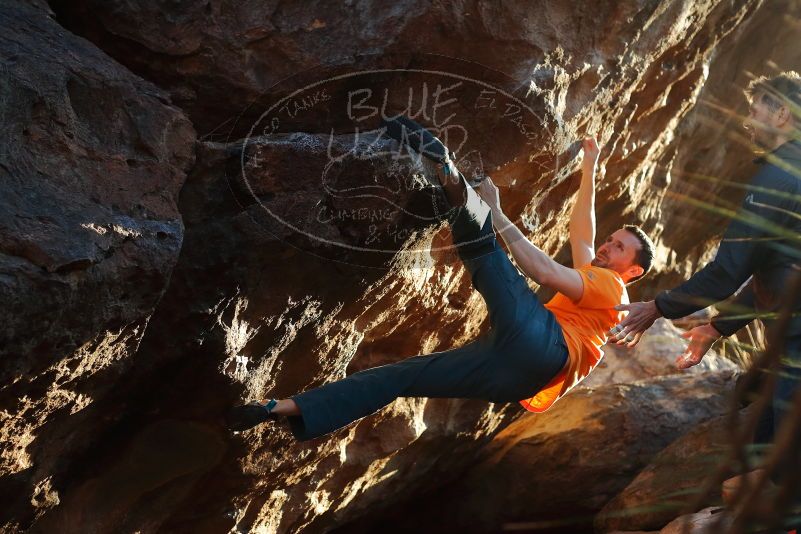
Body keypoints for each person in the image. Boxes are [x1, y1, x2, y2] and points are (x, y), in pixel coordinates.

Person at [226, 136, 656, 441]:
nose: (607, 247)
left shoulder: (611, 286)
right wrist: (591, 166)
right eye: (612, 240)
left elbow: (542, 269)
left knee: (489, 253)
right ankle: (277, 409)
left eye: (619, 249)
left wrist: (494, 210)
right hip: (518, 378)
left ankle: (448, 171)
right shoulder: (602, 282)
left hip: (542, 342)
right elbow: (584, 232)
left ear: (632, 272)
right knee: (400, 377)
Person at [607, 72, 801, 518]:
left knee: (770, 475)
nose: (749, 120)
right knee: (758, 435)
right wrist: (716, 326)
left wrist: (657, 307)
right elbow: (776, 272)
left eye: (756, 110)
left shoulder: (779, 176)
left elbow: (729, 269)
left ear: (782, 113)